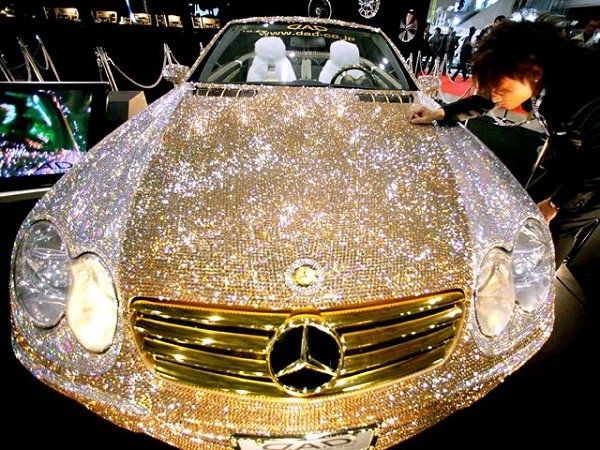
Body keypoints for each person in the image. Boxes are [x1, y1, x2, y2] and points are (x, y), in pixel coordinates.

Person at [408, 22, 600, 268]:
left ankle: (537, 285)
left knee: (560, 223)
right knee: (529, 205)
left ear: (534, 73)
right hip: (573, 155)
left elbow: (595, 168)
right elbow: (487, 99)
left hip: (594, 173)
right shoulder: (533, 69)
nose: (496, 97)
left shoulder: (583, 90)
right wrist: (440, 113)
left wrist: (555, 204)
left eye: (501, 89)